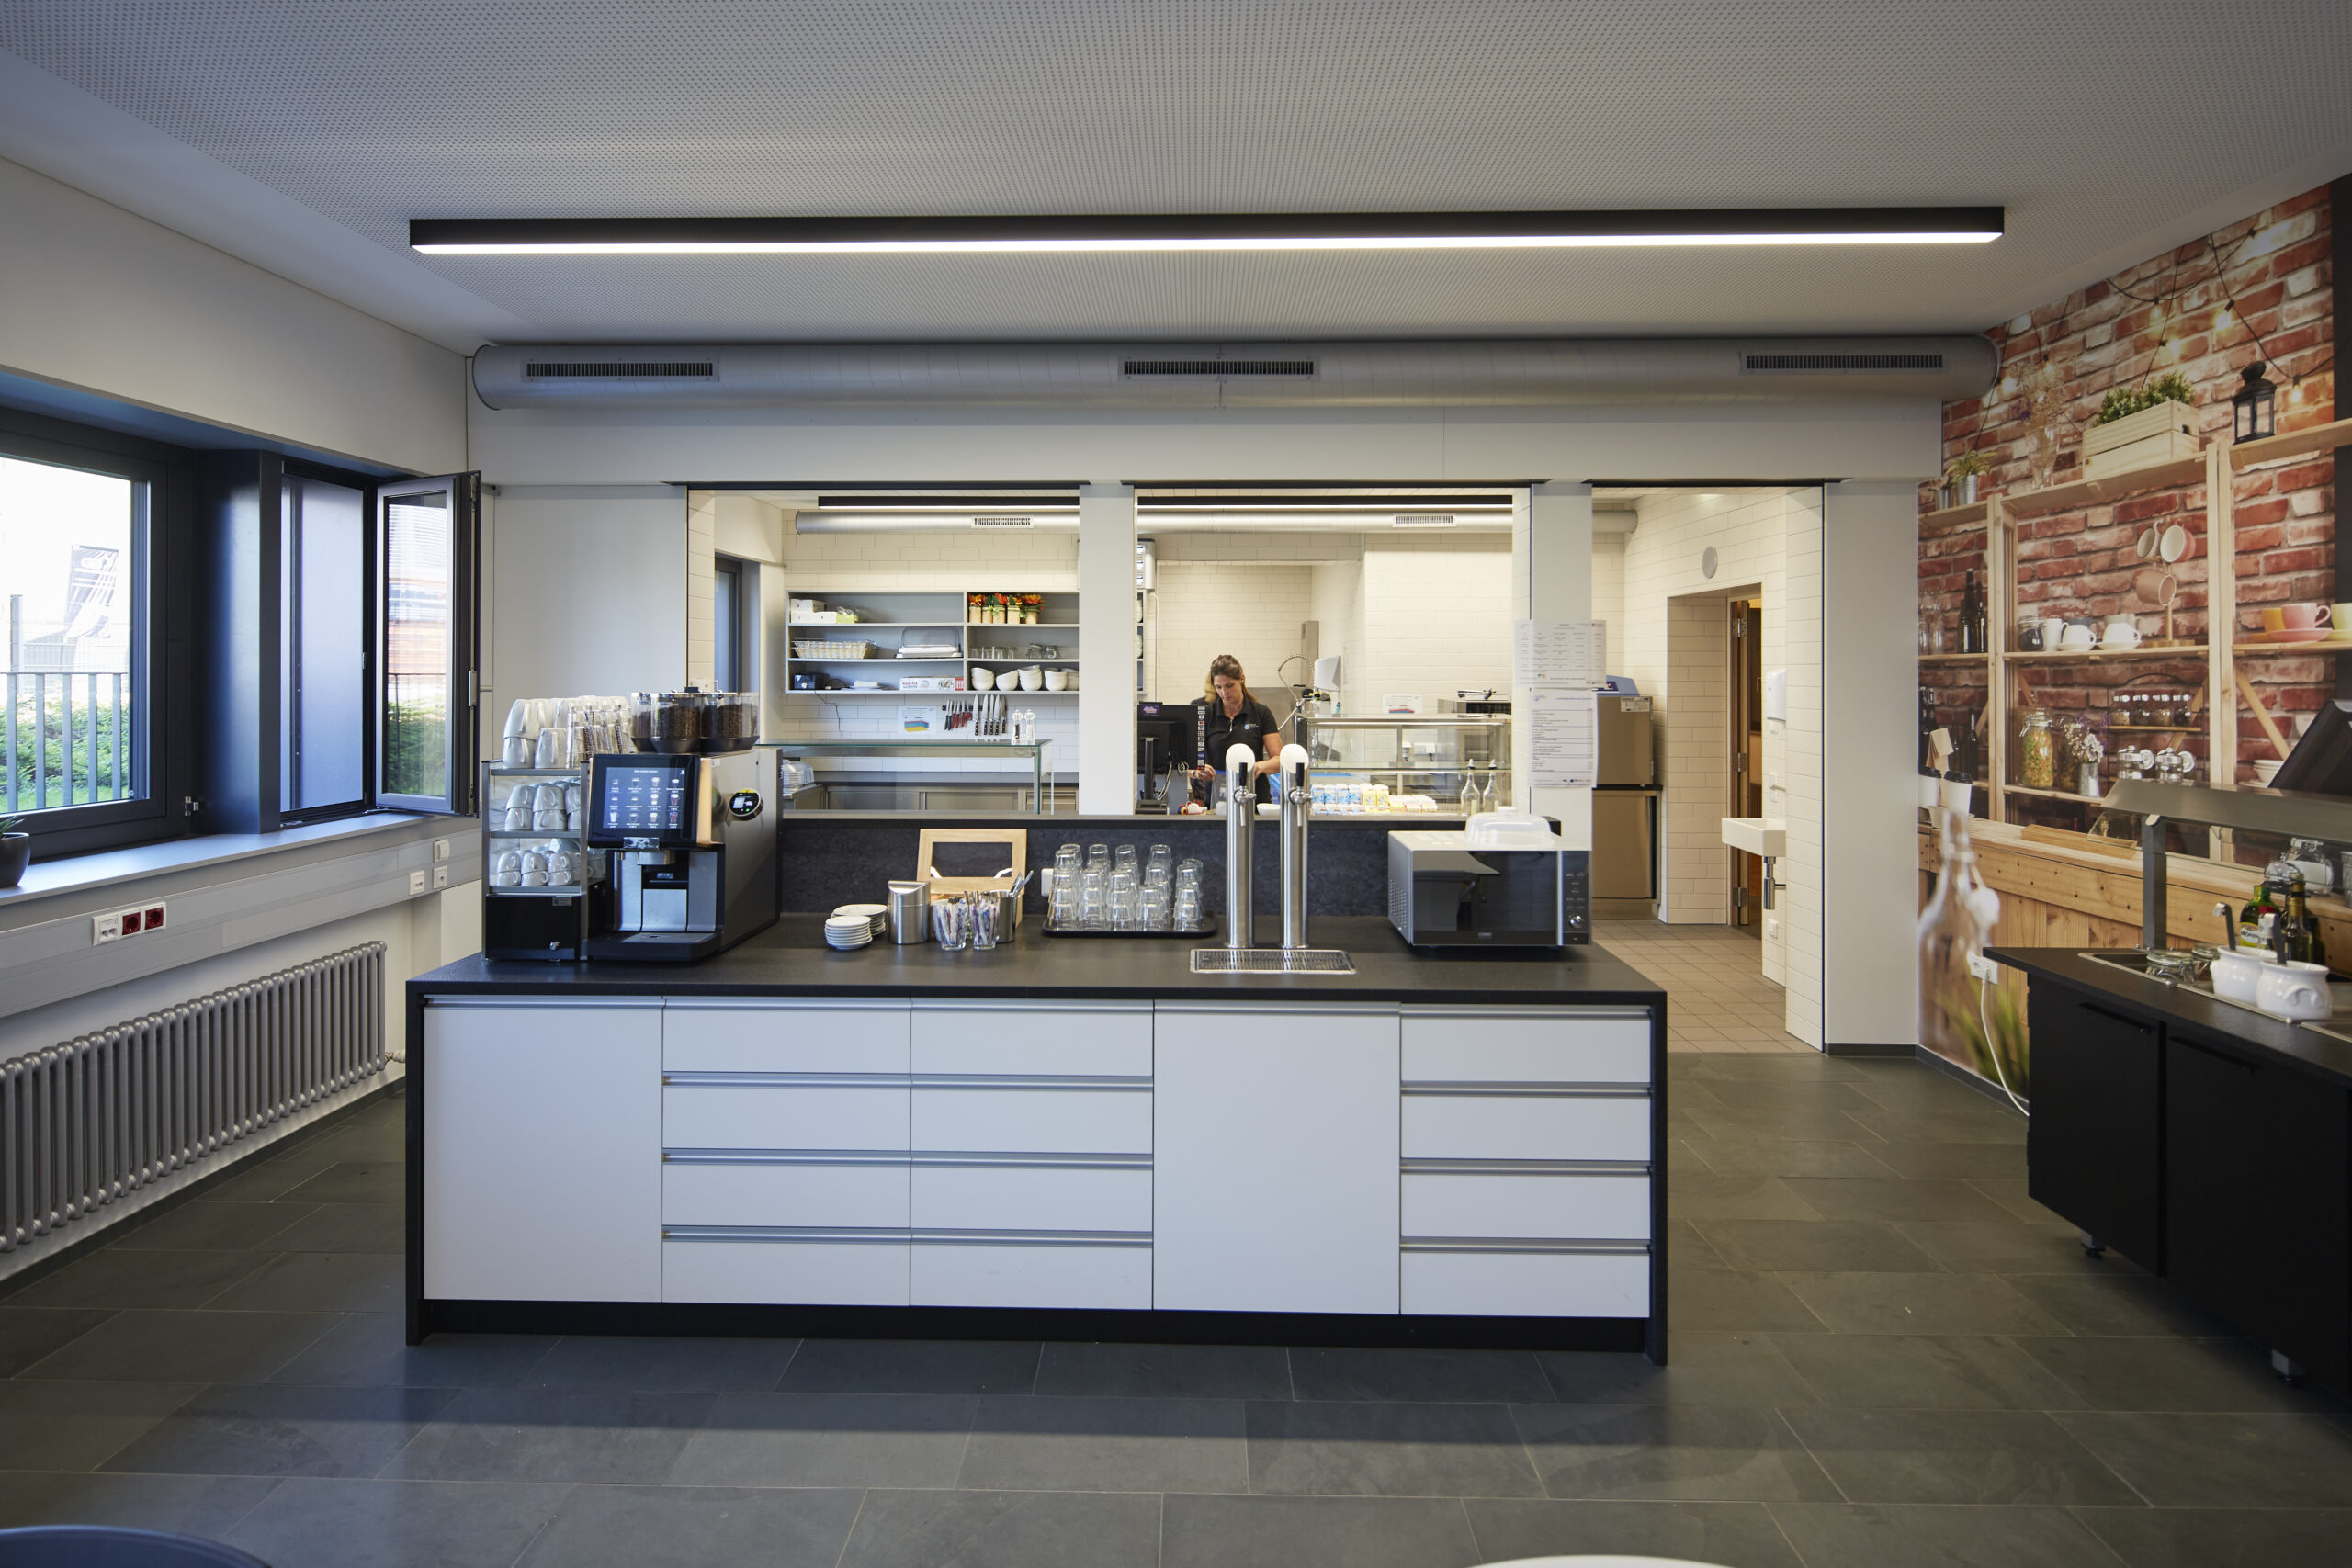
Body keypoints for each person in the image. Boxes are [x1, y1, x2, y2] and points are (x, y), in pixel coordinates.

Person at [1191, 654, 1284, 806]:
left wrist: (1260, 766)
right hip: (1218, 802)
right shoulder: (1206, 714)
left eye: (1229, 686)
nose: (1224, 692)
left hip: (1255, 800)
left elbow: (1279, 759)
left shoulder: (1261, 713)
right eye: (1218, 687)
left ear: (1241, 679)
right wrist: (1198, 770)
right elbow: (1186, 763)